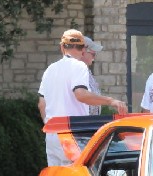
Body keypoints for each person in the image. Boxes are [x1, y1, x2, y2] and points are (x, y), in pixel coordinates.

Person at [38, 29, 128, 166]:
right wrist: (111, 101)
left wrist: (49, 123)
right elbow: (80, 94)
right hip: (73, 133)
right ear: (83, 49)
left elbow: (41, 104)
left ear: (62, 47)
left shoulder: (50, 69)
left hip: (52, 133)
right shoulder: (79, 66)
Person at [83, 36, 103, 115]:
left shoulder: (87, 70)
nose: (94, 58)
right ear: (83, 52)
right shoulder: (76, 72)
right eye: (93, 54)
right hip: (81, 123)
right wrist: (110, 101)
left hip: (90, 122)